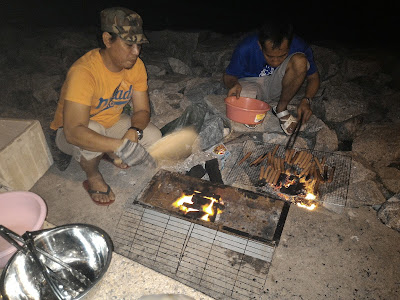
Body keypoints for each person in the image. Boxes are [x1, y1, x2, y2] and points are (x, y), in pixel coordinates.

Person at [50, 7, 161, 206]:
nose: (136, 52)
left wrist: (133, 131)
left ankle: (107, 152)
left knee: (154, 137)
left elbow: (142, 110)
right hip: (69, 134)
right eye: (129, 45)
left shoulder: (136, 66)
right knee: (93, 129)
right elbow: (74, 132)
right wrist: (120, 145)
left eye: (139, 45)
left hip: (110, 123)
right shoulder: (84, 72)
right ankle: (92, 175)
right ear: (107, 40)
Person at [223, 18, 320, 135]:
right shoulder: (246, 47)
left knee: (300, 61)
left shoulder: (299, 45)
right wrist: (234, 84)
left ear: (289, 46)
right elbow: (229, 75)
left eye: (281, 56)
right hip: (251, 83)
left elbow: (313, 77)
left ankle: (281, 109)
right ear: (260, 45)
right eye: (269, 56)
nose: (275, 62)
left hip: (279, 83)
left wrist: (307, 100)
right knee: (241, 101)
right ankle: (254, 105)